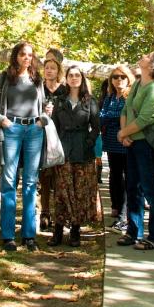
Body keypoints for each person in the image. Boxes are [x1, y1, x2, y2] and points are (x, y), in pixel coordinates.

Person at [0, 41, 47, 252]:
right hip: (11, 130)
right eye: (23, 54)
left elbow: (44, 106)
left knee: (31, 182)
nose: (27, 58)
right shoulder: (4, 78)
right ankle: (8, 236)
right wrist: (4, 122)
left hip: (34, 131)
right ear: (16, 56)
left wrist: (42, 120)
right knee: (8, 181)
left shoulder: (36, 79)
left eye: (30, 55)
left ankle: (29, 235)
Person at [117, 52, 154, 251]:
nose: (143, 56)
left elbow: (145, 118)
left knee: (151, 189)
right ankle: (133, 231)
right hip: (132, 143)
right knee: (133, 188)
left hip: (147, 145)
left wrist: (123, 132)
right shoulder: (138, 84)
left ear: (153, 66)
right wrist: (124, 135)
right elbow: (126, 110)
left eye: (148, 56)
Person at [49, 66, 102, 246]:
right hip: (63, 149)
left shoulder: (90, 101)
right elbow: (54, 126)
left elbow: (96, 127)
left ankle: (75, 230)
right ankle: (57, 230)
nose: (74, 78)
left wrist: (88, 142)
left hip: (82, 150)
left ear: (82, 78)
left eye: (77, 75)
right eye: (70, 75)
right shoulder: (60, 101)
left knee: (79, 191)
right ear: (66, 79)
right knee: (62, 191)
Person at [100, 65, 133, 232]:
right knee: (114, 177)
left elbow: (124, 117)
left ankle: (124, 216)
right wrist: (114, 117)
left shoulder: (131, 97)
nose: (118, 80)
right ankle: (117, 207)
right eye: (115, 77)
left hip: (127, 143)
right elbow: (102, 117)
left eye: (122, 77)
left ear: (128, 79)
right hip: (111, 143)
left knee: (129, 180)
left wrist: (111, 117)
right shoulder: (109, 98)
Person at [39, 57, 67, 230]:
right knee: (44, 176)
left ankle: (60, 214)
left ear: (58, 72)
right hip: (41, 135)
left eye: (53, 68)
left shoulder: (64, 90)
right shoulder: (38, 88)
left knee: (59, 176)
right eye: (47, 68)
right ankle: (45, 212)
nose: (49, 71)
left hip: (60, 136)